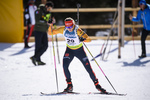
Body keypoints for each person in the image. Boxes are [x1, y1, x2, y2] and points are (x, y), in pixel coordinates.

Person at [48, 17, 107, 93]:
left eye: (70, 26)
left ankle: (97, 85)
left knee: (88, 68)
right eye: (67, 27)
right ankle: (69, 86)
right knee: (65, 66)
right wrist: (50, 25)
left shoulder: (78, 30)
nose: (69, 28)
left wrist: (83, 39)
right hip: (69, 50)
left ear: (73, 24)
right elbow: (50, 33)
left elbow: (89, 39)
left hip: (80, 51)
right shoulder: (63, 29)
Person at [30, 1, 54, 66]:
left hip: (44, 30)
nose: (49, 10)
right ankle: (37, 59)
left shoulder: (48, 12)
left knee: (45, 46)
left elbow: (48, 20)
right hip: (38, 30)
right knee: (38, 46)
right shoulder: (38, 11)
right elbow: (37, 21)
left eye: (51, 9)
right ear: (46, 6)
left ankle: (35, 57)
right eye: (49, 8)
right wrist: (46, 22)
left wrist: (51, 21)